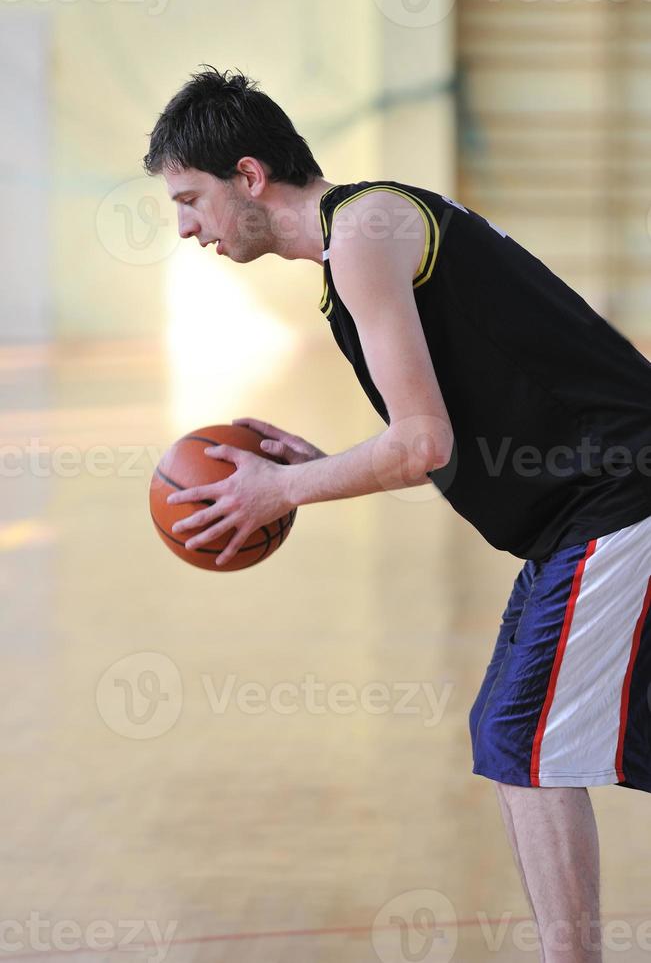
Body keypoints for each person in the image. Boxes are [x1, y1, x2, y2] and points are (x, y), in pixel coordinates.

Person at [143, 65, 651, 962]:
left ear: (249, 176)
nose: (185, 226)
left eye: (190, 198)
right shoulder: (364, 244)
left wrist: (277, 490)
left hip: (618, 501)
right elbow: (435, 442)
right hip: (587, 510)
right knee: (591, 737)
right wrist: (316, 466)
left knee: (517, 737)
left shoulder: (364, 231)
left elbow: (420, 445)